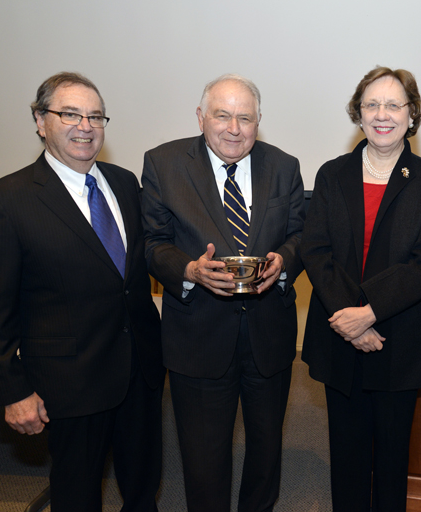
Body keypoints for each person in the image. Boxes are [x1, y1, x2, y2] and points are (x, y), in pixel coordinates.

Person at [0, 72, 164, 511]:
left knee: (143, 488)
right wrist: (13, 391)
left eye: (96, 116)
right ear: (40, 121)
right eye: (70, 114)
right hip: (70, 384)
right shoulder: (3, 201)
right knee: (77, 496)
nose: (86, 126)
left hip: (140, 374)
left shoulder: (124, 182)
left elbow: (128, 279)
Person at [141, 73, 304, 512]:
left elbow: (300, 234)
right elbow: (153, 244)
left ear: (258, 122)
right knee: (203, 458)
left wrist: (284, 262)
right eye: (223, 115)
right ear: (200, 117)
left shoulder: (284, 165)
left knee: (267, 452)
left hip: (268, 334)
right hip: (198, 337)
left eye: (245, 118)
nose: (234, 128)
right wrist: (190, 270)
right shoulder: (163, 163)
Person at [301, 66, 421, 511]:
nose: (382, 114)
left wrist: (368, 313)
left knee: (390, 464)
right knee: (346, 460)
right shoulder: (332, 174)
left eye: (393, 104)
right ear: (358, 113)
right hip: (339, 334)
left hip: (398, 341)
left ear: (411, 114)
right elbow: (316, 249)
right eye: (371, 104)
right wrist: (352, 320)